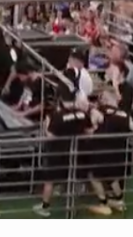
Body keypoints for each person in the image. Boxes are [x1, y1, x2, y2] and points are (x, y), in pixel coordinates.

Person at [33, 85, 93, 218]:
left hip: (57, 153)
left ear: (60, 99)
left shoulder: (57, 116)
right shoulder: (83, 114)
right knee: (73, 180)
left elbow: (50, 136)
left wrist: (45, 126)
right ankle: (72, 207)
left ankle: (45, 206)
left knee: (50, 181)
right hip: (76, 153)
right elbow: (89, 132)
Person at [86, 89, 133, 214]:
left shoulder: (101, 111)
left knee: (94, 177)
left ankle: (103, 204)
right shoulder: (125, 115)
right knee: (112, 177)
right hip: (119, 152)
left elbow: (93, 126)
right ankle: (119, 201)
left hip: (102, 151)